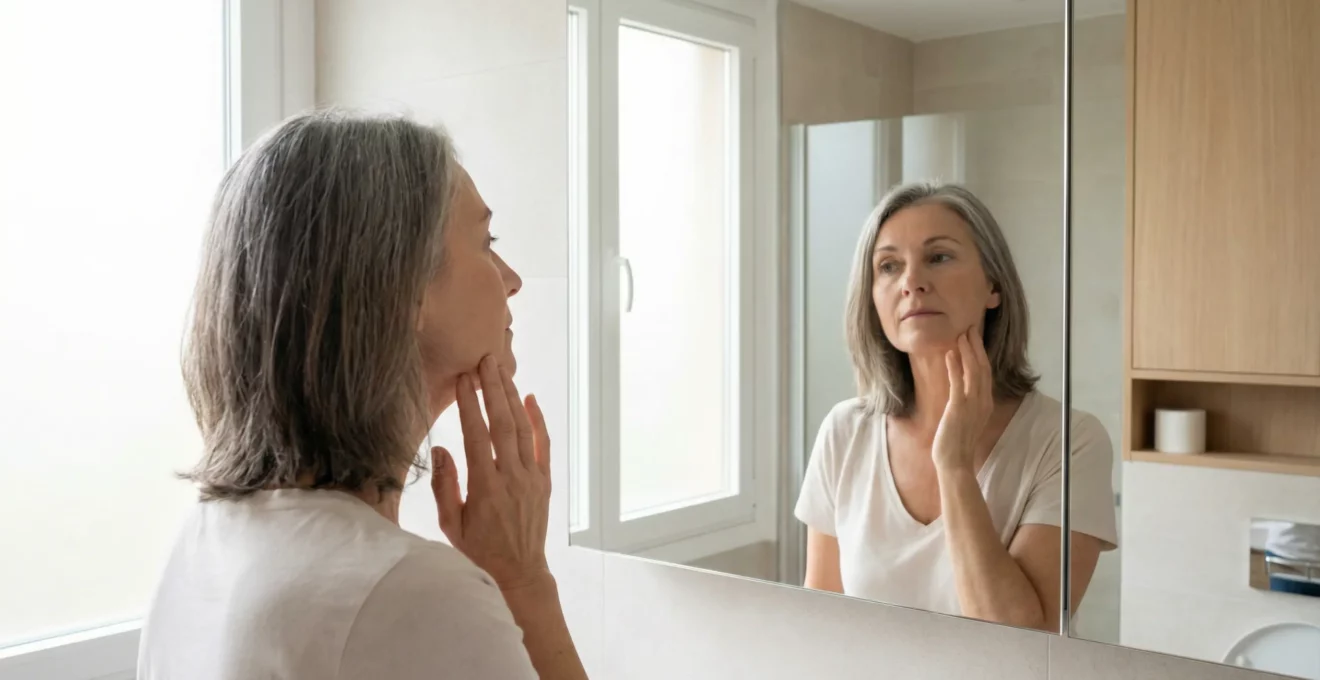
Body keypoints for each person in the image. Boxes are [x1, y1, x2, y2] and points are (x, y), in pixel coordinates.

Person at [137, 110, 589, 679]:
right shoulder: (415, 595)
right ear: (405, 288)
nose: (512, 279)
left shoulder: (206, 539)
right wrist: (523, 581)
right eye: (486, 242)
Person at [795, 182, 1117, 631]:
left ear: (993, 285)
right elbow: (820, 627)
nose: (912, 282)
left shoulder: (1069, 442)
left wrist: (954, 465)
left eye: (939, 257)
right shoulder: (844, 432)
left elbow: (1025, 642)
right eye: (889, 266)